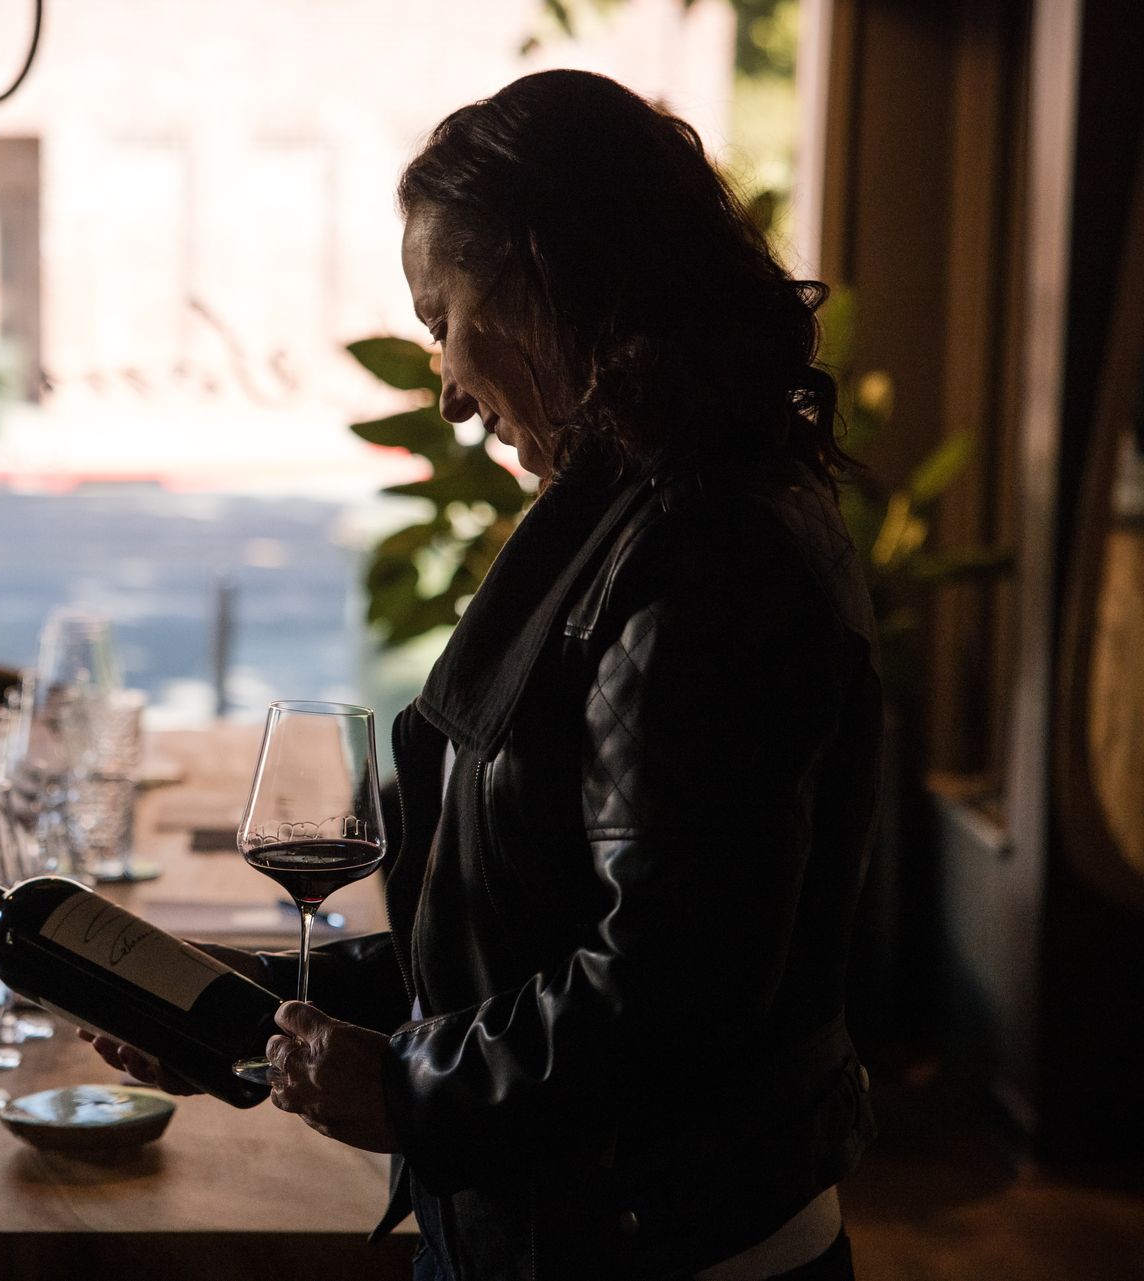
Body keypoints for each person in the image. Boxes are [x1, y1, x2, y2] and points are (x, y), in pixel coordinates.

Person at [86, 69, 880, 1280]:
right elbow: (519, 928)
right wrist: (251, 1002)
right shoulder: (635, 503)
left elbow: (670, 992)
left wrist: (405, 1087)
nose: (450, 394)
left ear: (543, 279)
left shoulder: (707, 556)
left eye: (443, 320)